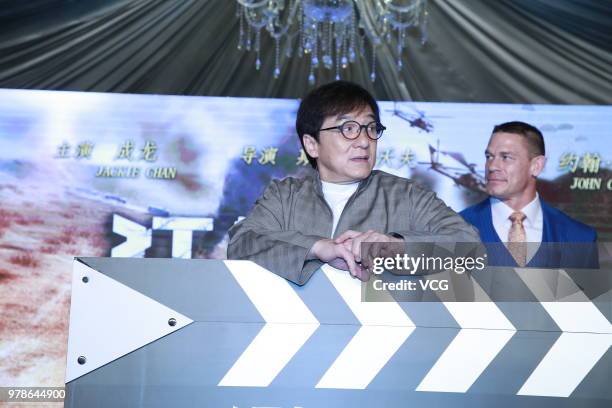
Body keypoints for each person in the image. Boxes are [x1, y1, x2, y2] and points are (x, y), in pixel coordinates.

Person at [227, 80, 479, 285]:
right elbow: (242, 243)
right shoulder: (284, 196)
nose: (363, 141)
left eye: (370, 128)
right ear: (312, 144)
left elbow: (471, 247)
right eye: (348, 128)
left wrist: (396, 247)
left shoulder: (408, 195)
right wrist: (317, 248)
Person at [460, 121, 597, 268]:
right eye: (489, 157)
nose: (492, 166)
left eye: (506, 157)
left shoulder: (579, 238)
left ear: (536, 166)